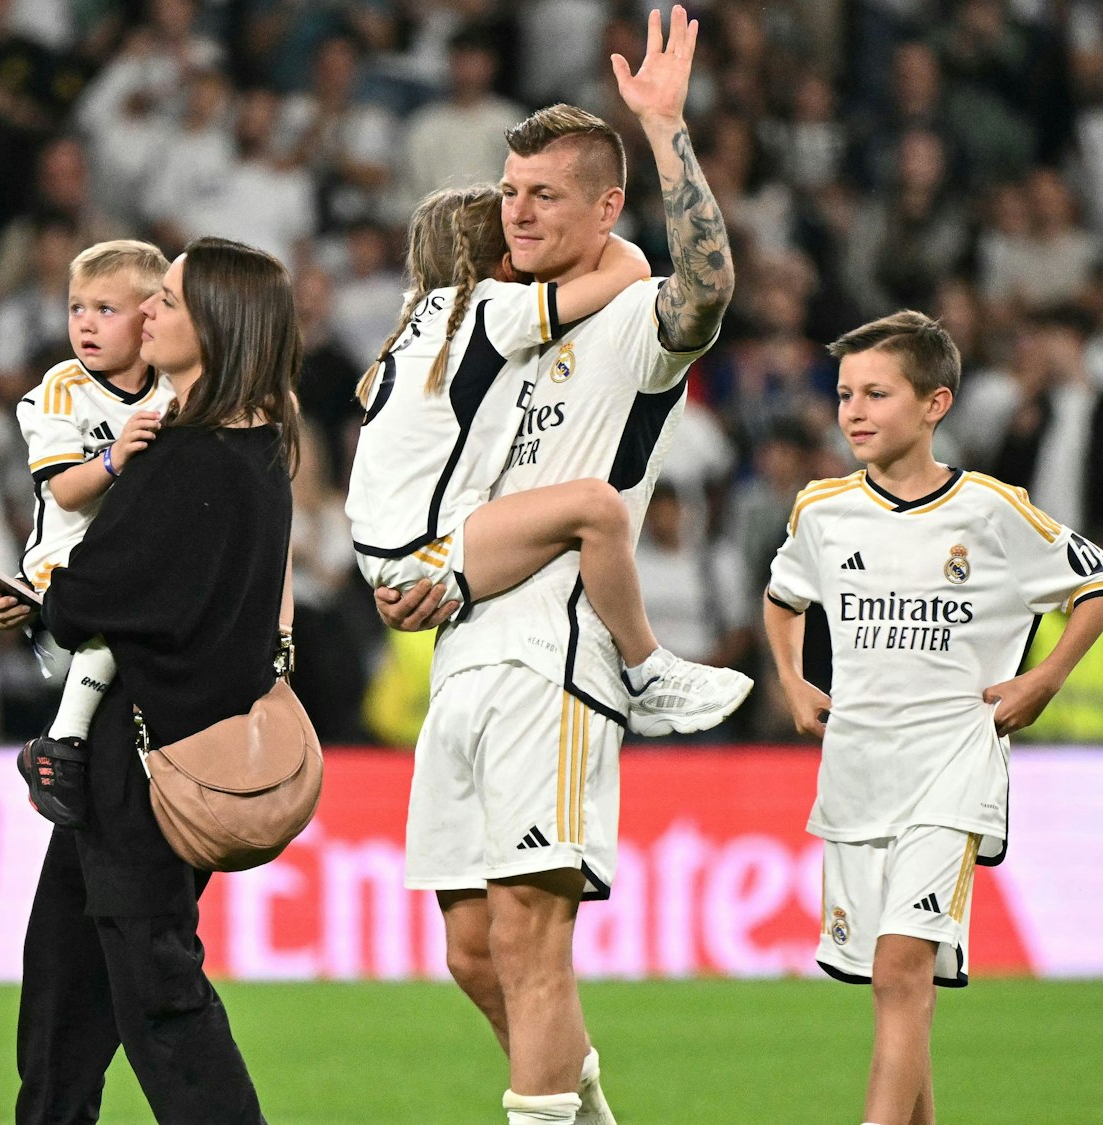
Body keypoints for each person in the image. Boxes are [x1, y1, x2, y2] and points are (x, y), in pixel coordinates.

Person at [374, 9, 736, 1122]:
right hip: (463, 646)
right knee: (472, 953)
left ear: (605, 209)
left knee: (532, 942)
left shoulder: (631, 321)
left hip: (557, 654)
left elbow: (706, 288)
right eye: (509, 190)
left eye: (543, 195)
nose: (516, 211)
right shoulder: (494, 325)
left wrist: (666, 131)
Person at [760, 310, 1103, 1125]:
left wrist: (1044, 678)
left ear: (935, 404)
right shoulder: (823, 510)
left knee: (901, 970)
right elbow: (783, 596)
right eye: (845, 393)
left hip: (952, 767)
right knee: (895, 985)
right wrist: (791, 679)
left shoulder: (993, 511)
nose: (853, 411)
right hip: (857, 770)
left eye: (877, 393)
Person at [0, 237, 297, 1124]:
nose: (147, 310)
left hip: (139, 772)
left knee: (159, 1005)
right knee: (62, 1010)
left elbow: (88, 600)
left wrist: (45, 601)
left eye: (170, 302)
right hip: (141, 766)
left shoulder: (184, 456)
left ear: (216, 328)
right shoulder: (259, 448)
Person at [350, 183, 751, 737]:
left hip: (392, 555)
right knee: (598, 508)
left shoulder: (420, 323)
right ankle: (646, 670)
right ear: (503, 260)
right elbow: (628, 267)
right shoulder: (492, 310)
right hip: (432, 556)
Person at [9, 239, 176, 770]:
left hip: (133, 562)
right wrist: (113, 459)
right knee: (115, 616)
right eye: (76, 307)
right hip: (65, 564)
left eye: (106, 310)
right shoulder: (61, 388)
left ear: (148, 317)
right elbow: (62, 489)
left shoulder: (174, 389)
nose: (85, 323)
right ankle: (64, 739)